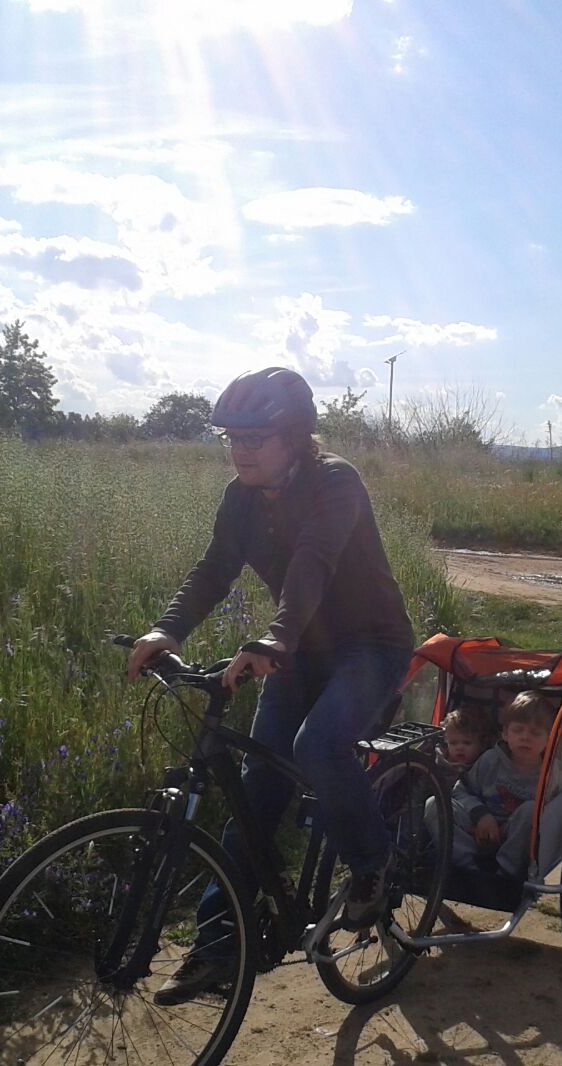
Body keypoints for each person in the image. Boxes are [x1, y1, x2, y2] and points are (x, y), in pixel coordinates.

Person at [125, 366, 415, 1002]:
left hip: (372, 646)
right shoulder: (241, 497)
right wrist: (166, 629)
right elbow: (214, 570)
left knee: (317, 748)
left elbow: (314, 563)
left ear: (295, 435)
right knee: (257, 790)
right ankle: (217, 949)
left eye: (256, 436)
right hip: (301, 647)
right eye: (232, 437)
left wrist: (275, 638)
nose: (241, 449)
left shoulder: (335, 482)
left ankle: (372, 865)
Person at [447, 691, 562, 877]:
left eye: (535, 733)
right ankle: (469, 866)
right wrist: (481, 815)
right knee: (434, 806)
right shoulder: (490, 760)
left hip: (516, 838)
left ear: (549, 739)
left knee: (532, 810)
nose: (525, 737)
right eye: (518, 730)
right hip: (480, 828)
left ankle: (504, 872)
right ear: (506, 734)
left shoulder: (552, 774)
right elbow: (460, 791)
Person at [439, 704, 498, 780]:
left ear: (482, 744)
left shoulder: (484, 767)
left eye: (467, 743)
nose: (459, 748)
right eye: (453, 743)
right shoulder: (438, 759)